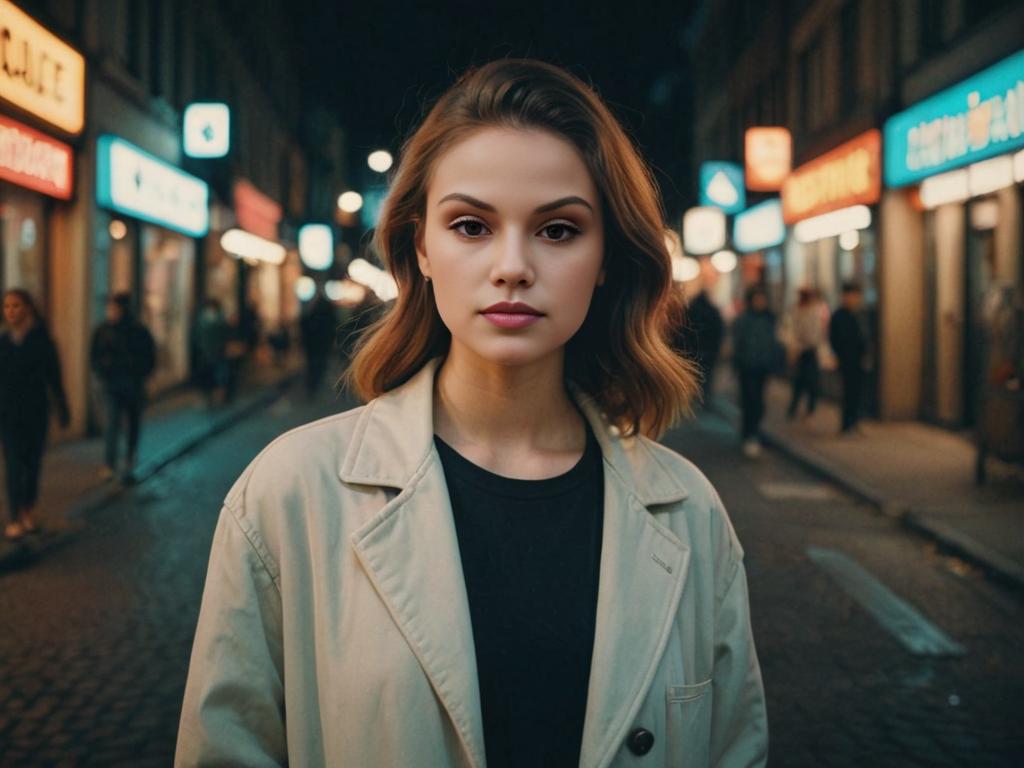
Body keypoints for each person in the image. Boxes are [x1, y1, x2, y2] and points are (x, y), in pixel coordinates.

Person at [177, 59, 768, 767]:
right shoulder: (289, 495)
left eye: (557, 230)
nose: (513, 265)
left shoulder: (691, 515)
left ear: (607, 254)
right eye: (470, 225)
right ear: (420, 245)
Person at [0, 289, 70, 539]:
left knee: (31, 465)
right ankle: (16, 518)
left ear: (28, 308)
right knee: (13, 466)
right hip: (8, 416)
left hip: (35, 414)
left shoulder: (43, 342)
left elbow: (54, 378)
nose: (11, 311)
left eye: (16, 305)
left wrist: (63, 410)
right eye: (7, 306)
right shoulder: (3, 343)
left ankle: (27, 509)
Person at [89, 292, 156, 483]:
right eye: (110, 307)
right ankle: (110, 463)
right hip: (111, 384)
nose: (111, 311)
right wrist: (101, 371)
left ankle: (129, 457)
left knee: (133, 423)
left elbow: (149, 356)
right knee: (112, 423)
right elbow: (94, 355)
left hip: (133, 384)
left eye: (115, 307)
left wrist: (140, 372)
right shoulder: (103, 330)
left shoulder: (138, 330)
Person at [732, 286, 780, 458]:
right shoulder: (744, 320)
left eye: (762, 299)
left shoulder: (769, 319)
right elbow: (738, 344)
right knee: (749, 401)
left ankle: (755, 432)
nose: (760, 302)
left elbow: (772, 343)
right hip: (748, 368)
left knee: (759, 403)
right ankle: (749, 435)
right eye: (757, 299)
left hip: (763, 367)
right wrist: (738, 363)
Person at [677, 285, 725, 405]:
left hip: (694, 349)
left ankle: (694, 399)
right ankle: (705, 398)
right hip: (709, 349)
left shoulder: (691, 309)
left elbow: (683, 330)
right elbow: (719, 331)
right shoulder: (712, 311)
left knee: (695, 375)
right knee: (707, 375)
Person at [829, 282, 867, 434]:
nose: (854, 299)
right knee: (848, 391)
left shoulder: (858, 314)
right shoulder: (839, 315)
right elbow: (835, 338)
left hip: (858, 359)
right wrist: (838, 355)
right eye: (852, 296)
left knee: (857, 391)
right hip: (846, 359)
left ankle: (854, 421)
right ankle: (846, 423)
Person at [786, 287, 826, 419]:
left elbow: (818, 332)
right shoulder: (798, 311)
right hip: (802, 350)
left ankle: (807, 410)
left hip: (809, 349)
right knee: (800, 382)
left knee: (810, 383)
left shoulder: (814, 311)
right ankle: (796, 410)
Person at [298, 290, 338, 396]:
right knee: (318, 366)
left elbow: (304, 327)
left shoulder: (312, 313)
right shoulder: (327, 315)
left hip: (313, 345)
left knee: (313, 366)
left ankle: (311, 386)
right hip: (320, 345)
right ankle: (313, 385)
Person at [192, 299, 230, 406]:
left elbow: (225, 336)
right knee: (211, 375)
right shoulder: (203, 320)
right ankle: (210, 397)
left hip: (217, 352)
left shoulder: (218, 320)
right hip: (208, 353)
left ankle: (218, 397)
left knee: (220, 375)